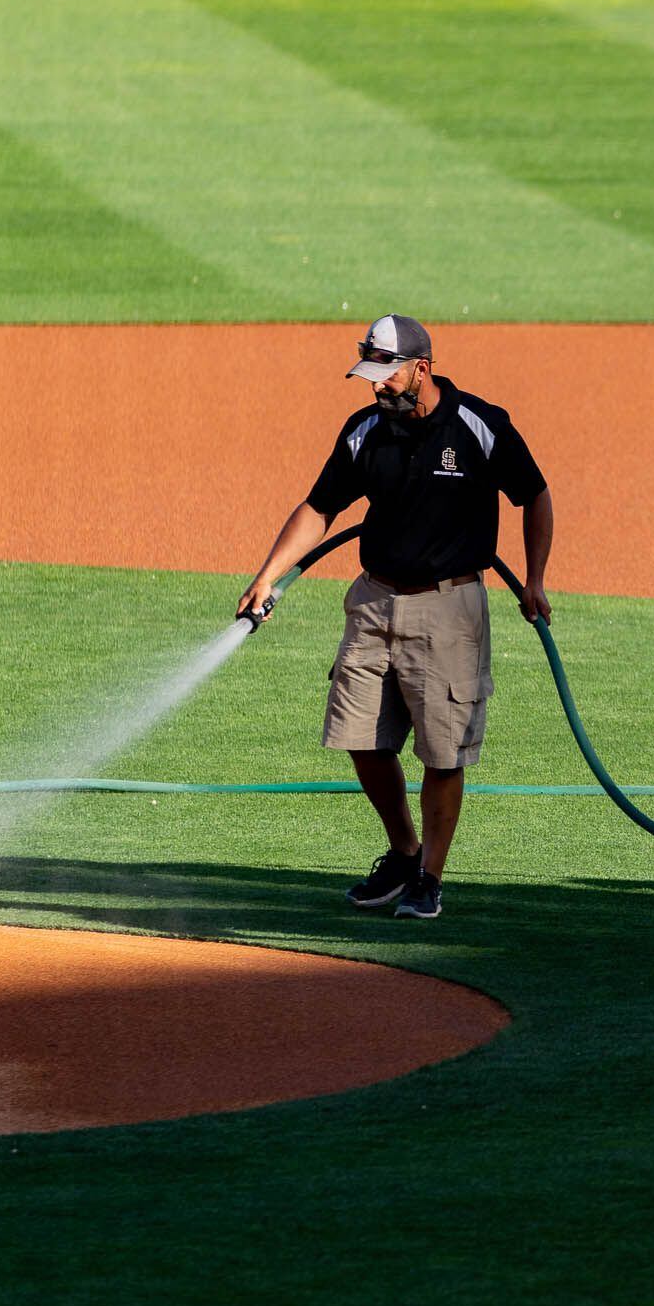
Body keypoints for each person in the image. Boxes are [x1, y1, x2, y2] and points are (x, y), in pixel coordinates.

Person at [236, 315, 554, 920]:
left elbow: (534, 493)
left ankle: (430, 876)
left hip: (448, 608)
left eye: (386, 375)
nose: (375, 387)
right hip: (373, 602)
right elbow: (320, 506)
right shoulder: (364, 431)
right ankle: (404, 853)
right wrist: (267, 574)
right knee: (361, 739)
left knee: (442, 753)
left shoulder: (479, 426)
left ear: (421, 368)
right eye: (369, 375)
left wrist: (534, 578)